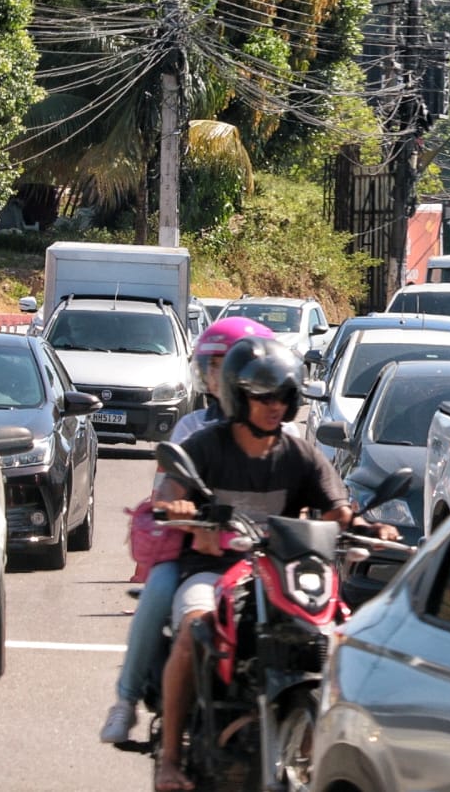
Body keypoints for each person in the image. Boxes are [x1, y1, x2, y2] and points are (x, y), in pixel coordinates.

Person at [152, 337, 398, 792]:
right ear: (237, 396)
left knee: (336, 637)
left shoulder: (299, 452)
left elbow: (337, 508)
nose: (274, 406)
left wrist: (368, 526)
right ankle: (170, 759)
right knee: (193, 630)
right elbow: (166, 496)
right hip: (213, 568)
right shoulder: (207, 446)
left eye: (283, 397)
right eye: (263, 396)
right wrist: (181, 512)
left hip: (282, 572)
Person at [98, 315, 275, 744]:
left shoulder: (279, 430)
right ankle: (124, 701)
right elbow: (163, 494)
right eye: (212, 367)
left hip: (266, 554)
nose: (219, 378)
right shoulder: (192, 428)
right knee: (158, 593)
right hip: (196, 549)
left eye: (227, 366)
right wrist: (184, 514)